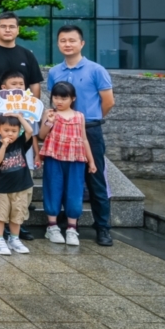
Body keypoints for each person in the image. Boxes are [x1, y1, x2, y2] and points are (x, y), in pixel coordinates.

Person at [46, 25, 115, 247]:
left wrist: (86, 122)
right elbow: (54, 101)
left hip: (89, 130)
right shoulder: (54, 72)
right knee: (63, 178)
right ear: (58, 43)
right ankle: (63, 223)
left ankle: (102, 227)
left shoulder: (96, 70)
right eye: (63, 40)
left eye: (72, 40)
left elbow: (108, 101)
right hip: (60, 130)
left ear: (82, 43)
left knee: (96, 180)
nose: (67, 44)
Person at [0, 12, 43, 216]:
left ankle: (21, 194)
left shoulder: (26, 55)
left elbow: (34, 84)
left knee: (20, 155)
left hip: (22, 117)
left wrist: (33, 111)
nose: (8, 30)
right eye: (3, 26)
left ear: (18, 29)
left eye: (12, 26)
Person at [39, 81, 97, 247]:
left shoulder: (79, 116)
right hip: (54, 157)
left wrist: (91, 161)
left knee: (74, 191)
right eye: (56, 97)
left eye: (64, 98)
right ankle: (52, 226)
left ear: (73, 98)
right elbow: (42, 135)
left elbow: (84, 139)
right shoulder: (50, 114)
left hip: (76, 159)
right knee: (53, 189)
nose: (59, 101)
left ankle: (72, 228)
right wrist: (48, 122)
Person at [0, 114, 36, 256]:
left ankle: (14, 239)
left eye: (14, 131)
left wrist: (20, 117)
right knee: (0, 215)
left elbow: (30, 131)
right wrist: (4, 146)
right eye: (6, 130)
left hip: (21, 187)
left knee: (17, 216)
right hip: (2, 189)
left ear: (19, 131)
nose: (10, 133)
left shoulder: (20, 143)